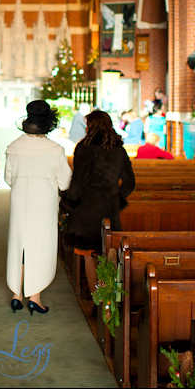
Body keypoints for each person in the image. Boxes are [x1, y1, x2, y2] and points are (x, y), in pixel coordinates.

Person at [5, 100, 72, 315]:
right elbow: (65, 182)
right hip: (43, 202)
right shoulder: (54, 149)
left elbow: (8, 178)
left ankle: (17, 295)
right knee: (40, 246)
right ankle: (34, 297)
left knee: (19, 244)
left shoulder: (14, 146)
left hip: (19, 200)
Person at [63, 110, 135, 297]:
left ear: (90, 126)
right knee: (108, 253)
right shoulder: (118, 149)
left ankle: (97, 298)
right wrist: (116, 199)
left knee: (88, 254)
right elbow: (129, 182)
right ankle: (108, 300)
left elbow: (77, 181)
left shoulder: (84, 147)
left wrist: (70, 202)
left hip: (87, 208)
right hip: (108, 208)